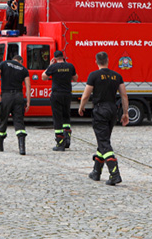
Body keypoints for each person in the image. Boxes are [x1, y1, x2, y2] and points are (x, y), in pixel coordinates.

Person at [78, 51, 129, 186]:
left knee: (104, 142)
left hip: (100, 110)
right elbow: (124, 95)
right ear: (108, 60)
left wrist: (81, 107)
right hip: (112, 110)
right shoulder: (117, 76)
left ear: (96, 61)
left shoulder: (93, 75)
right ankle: (96, 172)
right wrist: (125, 113)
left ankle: (114, 173)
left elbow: (85, 95)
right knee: (104, 139)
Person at [0, 55, 30, 155]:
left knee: (3, 119)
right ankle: (22, 148)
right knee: (19, 121)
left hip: (6, 95)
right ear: (21, 61)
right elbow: (28, 85)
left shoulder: (4, 64)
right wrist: (28, 101)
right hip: (18, 96)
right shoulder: (23, 69)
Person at [42, 50, 78, 151]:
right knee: (66, 116)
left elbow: (43, 77)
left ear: (54, 58)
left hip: (56, 94)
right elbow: (75, 78)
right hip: (67, 94)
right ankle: (67, 139)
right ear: (63, 57)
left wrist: (49, 66)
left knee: (57, 118)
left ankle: (60, 143)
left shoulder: (53, 67)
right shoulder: (70, 66)